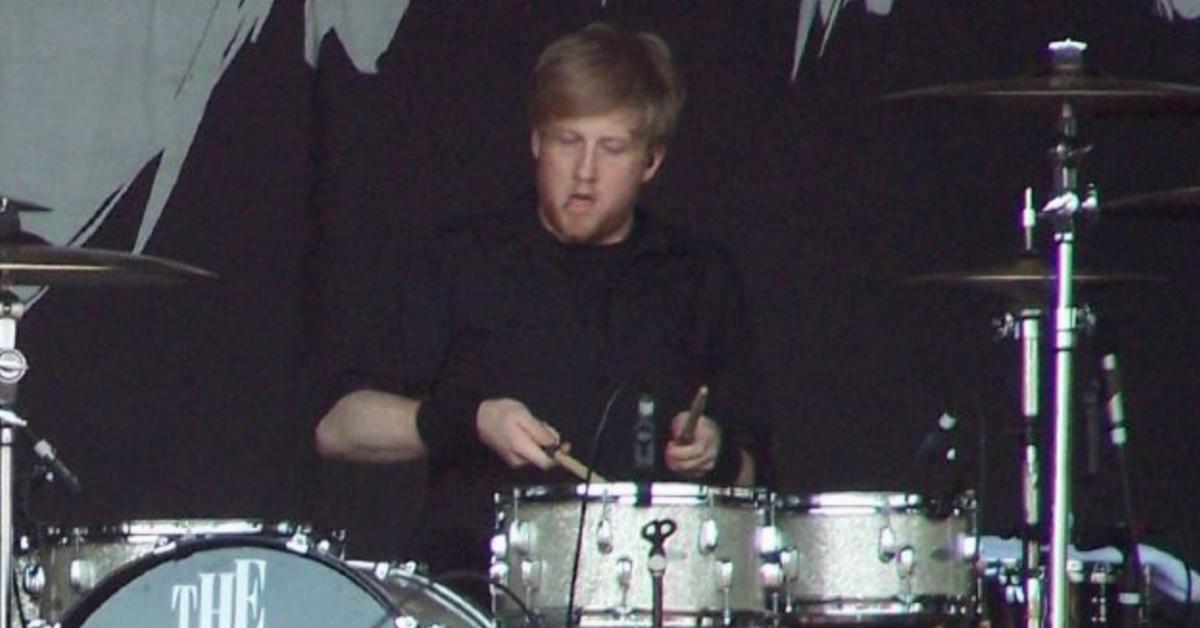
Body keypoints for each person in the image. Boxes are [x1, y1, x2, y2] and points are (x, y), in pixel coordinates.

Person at [314, 21, 765, 598]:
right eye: (567, 141)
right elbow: (338, 427)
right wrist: (470, 420)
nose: (584, 172)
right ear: (535, 142)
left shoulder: (699, 276)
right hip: (472, 591)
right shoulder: (462, 259)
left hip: (653, 593)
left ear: (651, 161)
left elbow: (761, 480)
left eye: (611, 148)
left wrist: (717, 455)